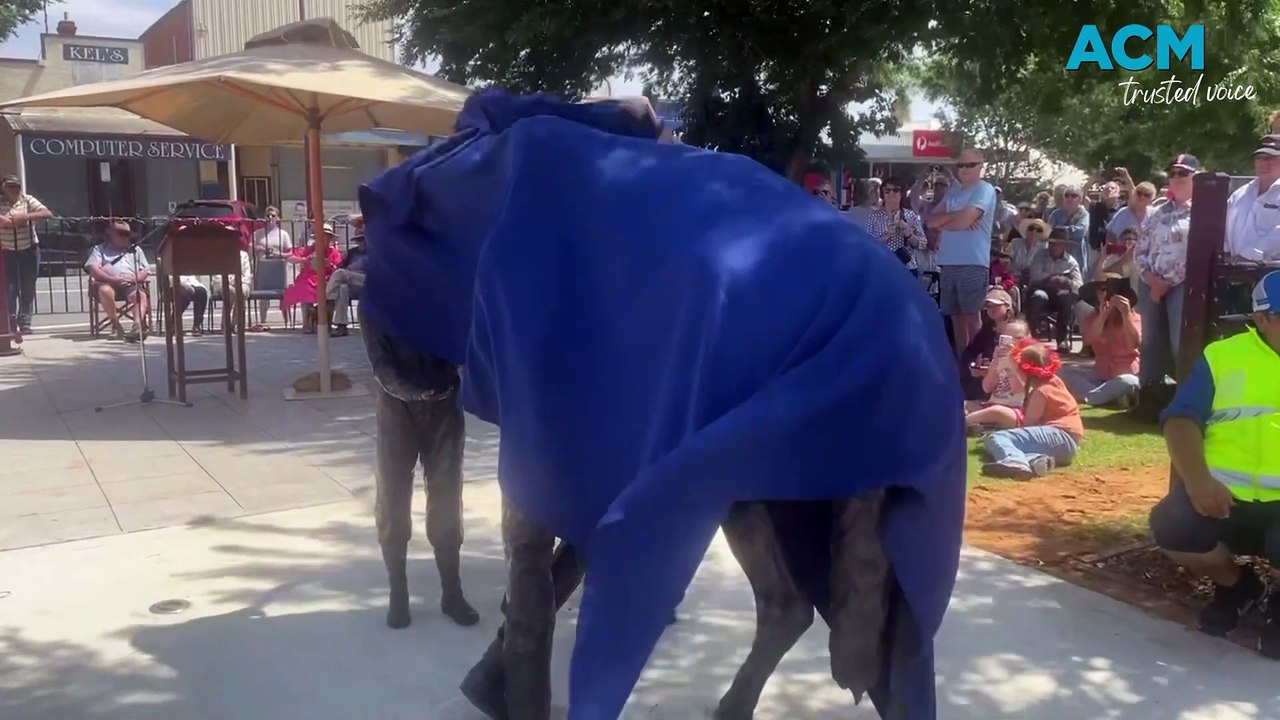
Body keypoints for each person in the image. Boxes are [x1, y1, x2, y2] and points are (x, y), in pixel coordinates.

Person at [1147, 271, 1280, 658]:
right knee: (1172, 527)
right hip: (1223, 496)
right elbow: (1181, 420)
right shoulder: (1223, 357)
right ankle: (1238, 586)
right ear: (1261, 318)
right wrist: (1199, 481)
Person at [1135, 153, 1197, 389]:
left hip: (1183, 285)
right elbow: (1140, 249)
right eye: (1172, 173)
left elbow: (1199, 251)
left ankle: (1184, 398)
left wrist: (1167, 283)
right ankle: (1149, 395)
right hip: (1150, 283)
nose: (1177, 177)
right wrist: (1152, 280)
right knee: (1149, 342)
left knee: (1178, 343)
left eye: (1183, 173)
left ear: (1195, 177)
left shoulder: (1205, 211)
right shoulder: (1157, 211)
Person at [981, 338, 1084, 479]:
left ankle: (1015, 461)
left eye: (1016, 371)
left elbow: (1027, 424)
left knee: (997, 437)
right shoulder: (1054, 382)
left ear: (1026, 372)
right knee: (1012, 441)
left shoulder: (1041, 392)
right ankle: (1036, 460)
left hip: (1059, 435)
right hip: (1066, 445)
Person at [929, 148, 998, 355]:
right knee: (956, 317)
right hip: (948, 262)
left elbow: (963, 221)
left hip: (973, 262)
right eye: (961, 165)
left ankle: (976, 363)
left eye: (971, 165)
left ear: (981, 166)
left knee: (971, 316)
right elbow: (932, 220)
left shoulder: (984, 189)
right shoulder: (953, 191)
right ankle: (963, 362)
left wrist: (950, 220)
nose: (965, 169)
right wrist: (958, 218)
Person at [1062, 275, 1142, 406]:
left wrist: (1125, 314)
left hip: (1123, 376)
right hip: (1097, 377)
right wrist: (1103, 315)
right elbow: (1087, 340)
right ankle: (1107, 397)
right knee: (1062, 372)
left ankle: (1090, 398)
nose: (1105, 296)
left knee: (1129, 381)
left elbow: (1134, 343)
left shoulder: (1134, 318)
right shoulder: (1092, 318)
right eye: (1101, 292)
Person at [0, 174, 52, 335]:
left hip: (29, 249)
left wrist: (24, 217)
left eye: (17, 186)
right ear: (3, 188)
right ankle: (10, 322)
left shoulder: (27, 200)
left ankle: (25, 323)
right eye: (10, 186)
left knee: (28, 287)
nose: (14, 189)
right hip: (7, 251)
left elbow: (47, 213)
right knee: (9, 289)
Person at [85, 220, 151, 342]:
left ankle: (137, 327)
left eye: (126, 234)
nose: (124, 237)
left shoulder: (136, 250)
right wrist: (112, 279)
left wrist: (135, 278)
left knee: (140, 295)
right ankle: (115, 324)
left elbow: (145, 270)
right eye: (120, 234)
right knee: (105, 290)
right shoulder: (100, 249)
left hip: (130, 283)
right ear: (111, 235)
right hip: (106, 282)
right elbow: (93, 269)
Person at [964, 318, 1031, 431]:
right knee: (960, 405)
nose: (1013, 343)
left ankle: (963, 423)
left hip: (1016, 410)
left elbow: (1019, 389)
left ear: (1028, 338)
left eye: (1018, 338)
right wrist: (995, 362)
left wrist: (1012, 363)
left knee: (997, 411)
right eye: (1009, 338)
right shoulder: (1000, 357)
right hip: (992, 404)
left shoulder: (1030, 359)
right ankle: (976, 423)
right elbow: (987, 388)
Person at [1025, 228, 1084, 352]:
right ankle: (1031, 335)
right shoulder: (1040, 255)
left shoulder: (1071, 262)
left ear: (1065, 246)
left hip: (1059, 294)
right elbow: (1035, 274)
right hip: (1040, 288)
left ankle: (1062, 340)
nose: (1054, 246)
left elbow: (1079, 286)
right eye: (1052, 243)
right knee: (1039, 296)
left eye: (1058, 243)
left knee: (1067, 299)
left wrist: (1068, 282)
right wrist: (1052, 278)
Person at [1224, 135, 1280, 263]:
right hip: (1235, 271)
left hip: (1273, 273)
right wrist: (1227, 256)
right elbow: (1224, 228)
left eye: (1270, 158)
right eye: (1259, 158)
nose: (1263, 163)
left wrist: (1250, 256)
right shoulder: (1240, 194)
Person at [281, 222, 343, 332]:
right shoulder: (308, 250)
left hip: (326, 279)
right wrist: (304, 259)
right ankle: (307, 323)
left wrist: (331, 265)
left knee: (332, 289)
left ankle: (326, 321)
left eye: (326, 236)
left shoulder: (334, 252)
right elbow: (290, 258)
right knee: (304, 288)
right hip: (308, 278)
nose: (324, 239)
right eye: (321, 236)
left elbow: (339, 270)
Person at [959, 288, 1018, 401]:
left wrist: (992, 369)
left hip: (1013, 376)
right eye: (988, 306)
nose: (991, 309)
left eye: (996, 305)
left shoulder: (1017, 328)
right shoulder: (988, 330)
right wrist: (973, 367)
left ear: (1007, 306)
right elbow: (970, 351)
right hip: (990, 375)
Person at [864, 177, 924, 274]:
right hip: (882, 267)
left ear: (902, 193)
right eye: (887, 191)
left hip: (906, 267)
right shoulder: (874, 217)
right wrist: (886, 236)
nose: (891, 194)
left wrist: (908, 234)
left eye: (896, 190)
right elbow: (867, 243)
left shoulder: (910, 215)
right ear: (882, 194)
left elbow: (923, 243)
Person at [249, 205, 292, 331]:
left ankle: (287, 322)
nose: (270, 218)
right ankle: (262, 321)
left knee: (283, 294)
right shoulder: (257, 234)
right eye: (268, 215)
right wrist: (259, 248)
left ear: (278, 218)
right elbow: (249, 248)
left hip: (280, 268)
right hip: (262, 267)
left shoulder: (283, 234)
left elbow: (290, 252)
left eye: (273, 215)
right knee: (263, 298)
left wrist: (279, 254)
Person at [328, 232, 368, 337]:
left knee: (340, 273)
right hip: (353, 283)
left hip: (369, 281)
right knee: (342, 288)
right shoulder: (352, 253)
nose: (362, 242)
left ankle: (325, 300)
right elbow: (341, 265)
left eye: (363, 239)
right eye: (358, 240)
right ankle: (341, 326)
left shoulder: (375, 252)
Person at [1046, 183, 1090, 272]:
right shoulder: (1056, 214)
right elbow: (1048, 232)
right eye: (1067, 195)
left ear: (1080, 199)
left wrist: (1059, 230)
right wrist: (1066, 231)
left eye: (1073, 195)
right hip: (1055, 258)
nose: (1069, 198)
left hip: (1076, 257)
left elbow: (1080, 232)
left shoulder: (1084, 214)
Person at [1088, 181, 1124, 252]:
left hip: (1117, 250)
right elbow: (1080, 197)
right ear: (1102, 194)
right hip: (1096, 250)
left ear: (1118, 194)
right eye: (1106, 188)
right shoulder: (1095, 206)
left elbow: (1134, 196)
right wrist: (1092, 179)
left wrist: (1127, 178)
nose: (1109, 190)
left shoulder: (1123, 208)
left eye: (1112, 188)